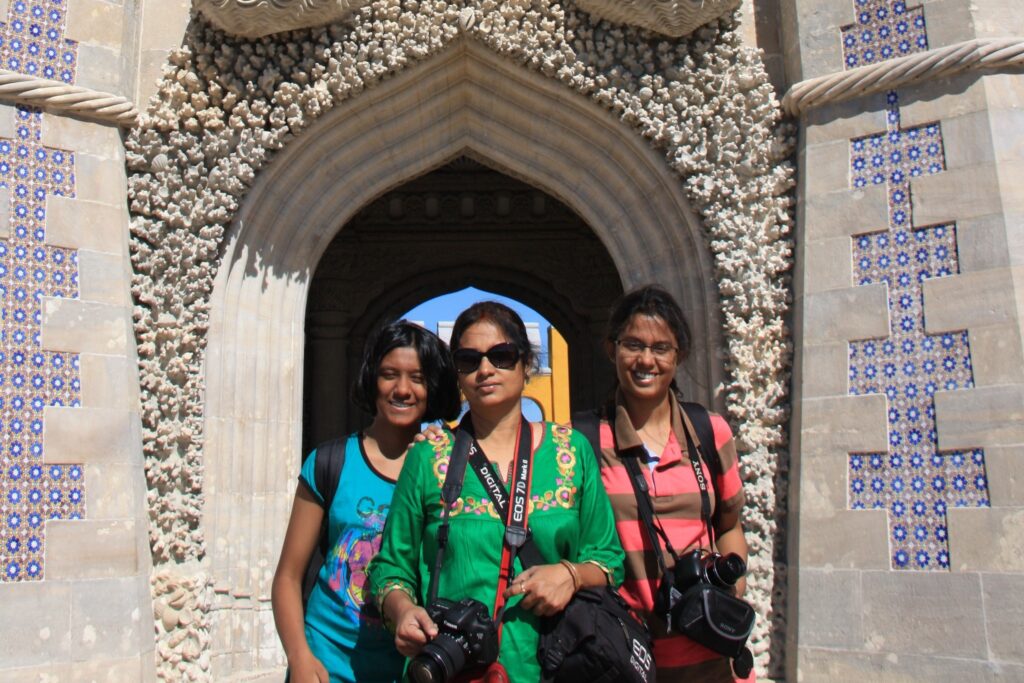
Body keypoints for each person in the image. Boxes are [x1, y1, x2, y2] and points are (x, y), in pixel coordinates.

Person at [368, 301, 624, 682]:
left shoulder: (571, 451)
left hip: (557, 667)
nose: (485, 369)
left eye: (501, 356)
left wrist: (570, 575)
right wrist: (402, 610)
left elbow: (609, 559)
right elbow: (390, 566)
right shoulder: (427, 457)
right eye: (469, 360)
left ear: (526, 366)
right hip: (454, 669)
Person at [271, 320, 461, 683]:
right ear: (372, 379)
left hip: (415, 668)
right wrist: (299, 657)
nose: (402, 389)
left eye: (417, 378)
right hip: (329, 663)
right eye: (389, 374)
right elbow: (288, 577)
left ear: (432, 387)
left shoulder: (448, 467)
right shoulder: (331, 462)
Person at [594, 285, 750, 682]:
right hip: (627, 657)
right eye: (633, 344)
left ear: (678, 355)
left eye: (661, 348)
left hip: (709, 653)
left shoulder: (709, 433)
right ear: (612, 350)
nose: (646, 359)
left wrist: (733, 588)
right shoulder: (585, 443)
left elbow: (728, 525)